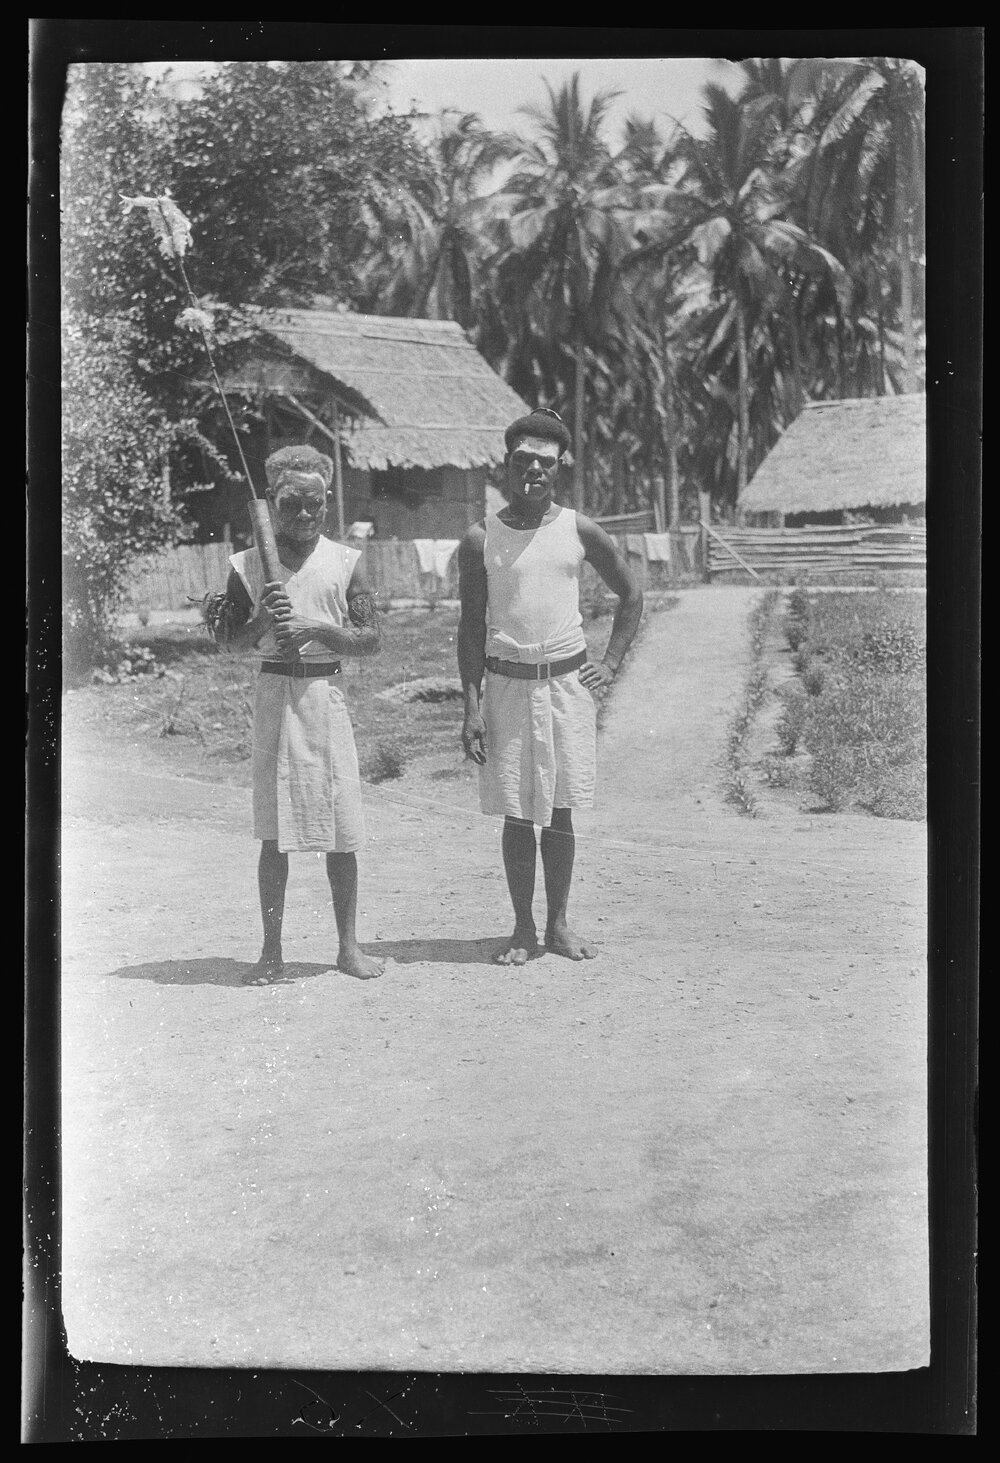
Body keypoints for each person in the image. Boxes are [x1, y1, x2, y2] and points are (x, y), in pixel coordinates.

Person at [458, 409, 643, 965]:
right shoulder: (479, 538)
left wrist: (609, 663)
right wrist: (471, 707)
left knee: (560, 809)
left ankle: (558, 925)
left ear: (560, 468)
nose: (532, 471)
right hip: (507, 686)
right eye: (522, 461)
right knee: (517, 812)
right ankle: (521, 928)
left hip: (565, 686)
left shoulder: (578, 529)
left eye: (544, 462)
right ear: (505, 467)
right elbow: (469, 627)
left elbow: (631, 595)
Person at [214, 444, 384, 984]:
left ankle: (348, 948)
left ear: (327, 501)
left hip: (325, 698)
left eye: (314, 504)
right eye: (292, 505)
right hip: (275, 700)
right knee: (274, 834)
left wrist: (320, 630)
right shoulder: (247, 566)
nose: (305, 515)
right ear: (272, 501)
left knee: (342, 831)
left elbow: (371, 640)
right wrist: (262, 617)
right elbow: (228, 644)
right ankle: (271, 952)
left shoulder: (346, 562)